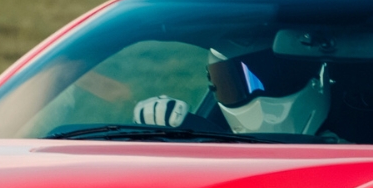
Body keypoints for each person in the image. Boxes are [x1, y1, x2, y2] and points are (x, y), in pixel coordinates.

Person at [133, 48, 332, 137]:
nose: (256, 97)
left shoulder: (351, 153)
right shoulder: (220, 148)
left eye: (271, 80)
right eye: (229, 82)